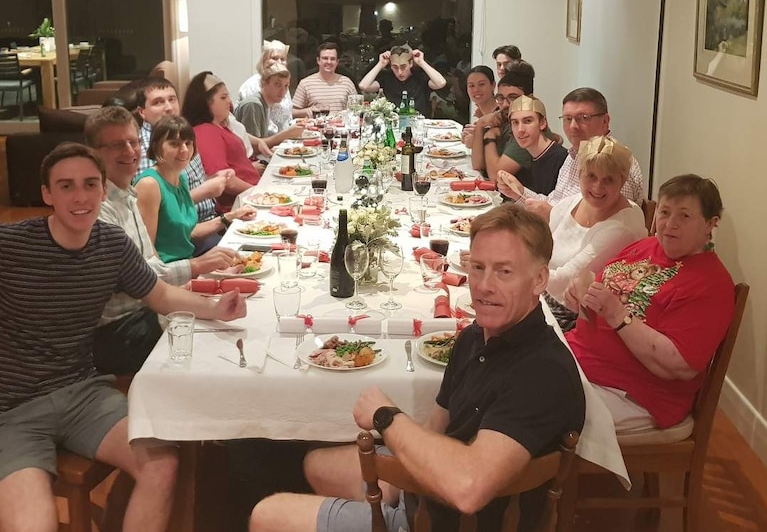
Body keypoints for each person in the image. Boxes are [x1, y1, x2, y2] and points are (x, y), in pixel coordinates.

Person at [0, 143, 247, 532]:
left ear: (104, 191)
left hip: (82, 396)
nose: (80, 197)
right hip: (9, 414)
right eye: (65, 186)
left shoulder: (112, 245)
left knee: (162, 465)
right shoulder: (4, 242)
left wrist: (218, 308)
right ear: (47, 194)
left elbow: (161, 295)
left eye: (89, 185)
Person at [249, 205, 586, 532]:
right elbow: (436, 428)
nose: (484, 286)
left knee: (266, 515)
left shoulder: (544, 373)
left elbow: (468, 488)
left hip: (448, 521)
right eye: (478, 267)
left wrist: (386, 417)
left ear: (540, 279)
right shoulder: (474, 338)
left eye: (504, 271)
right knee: (316, 464)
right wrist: (407, 472)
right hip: (431, 494)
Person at [565, 174, 735, 431]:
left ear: (711, 224)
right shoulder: (645, 247)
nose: (670, 224)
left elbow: (678, 366)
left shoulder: (711, 284)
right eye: (665, 212)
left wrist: (615, 313)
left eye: (684, 216)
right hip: (579, 359)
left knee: (524, 405)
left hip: (634, 394)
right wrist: (582, 288)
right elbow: (602, 286)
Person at [85, 106, 241, 375]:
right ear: (95, 153)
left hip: (147, 308)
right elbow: (139, 280)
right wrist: (197, 269)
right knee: (214, 349)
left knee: (227, 328)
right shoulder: (101, 209)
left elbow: (151, 266)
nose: (129, 151)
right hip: (119, 331)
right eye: (116, 145)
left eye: (133, 142)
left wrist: (207, 300)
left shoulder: (129, 196)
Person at [544, 136, 648, 332]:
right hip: (542, 294)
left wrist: (518, 273)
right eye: (591, 176)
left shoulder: (622, 227)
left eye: (608, 180)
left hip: (573, 317)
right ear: (580, 173)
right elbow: (539, 249)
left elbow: (564, 280)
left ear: (623, 180)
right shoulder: (570, 203)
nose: (598, 187)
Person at [497, 87, 645, 220]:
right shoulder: (574, 153)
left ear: (605, 121)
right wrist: (519, 192)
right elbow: (553, 202)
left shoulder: (613, 160)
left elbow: (606, 228)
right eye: (568, 119)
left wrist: (553, 216)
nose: (573, 126)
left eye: (583, 118)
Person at [135, 116, 256, 263]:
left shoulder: (180, 178)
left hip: (186, 263)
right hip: (168, 273)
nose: (184, 150)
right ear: (156, 147)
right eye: (174, 144)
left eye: (188, 143)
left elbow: (188, 232)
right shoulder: (149, 184)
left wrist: (231, 216)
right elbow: (146, 253)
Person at [134, 76, 228, 255]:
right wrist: (206, 191)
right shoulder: (144, 149)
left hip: (204, 224)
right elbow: (160, 208)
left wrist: (214, 180)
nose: (169, 108)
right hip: (185, 239)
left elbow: (185, 186)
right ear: (142, 112)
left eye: (172, 99)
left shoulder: (184, 134)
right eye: (158, 102)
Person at [184, 72, 266, 213]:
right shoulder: (206, 131)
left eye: (227, 95)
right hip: (238, 206)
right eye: (223, 97)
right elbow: (223, 178)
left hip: (248, 198)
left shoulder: (219, 126)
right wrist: (259, 193)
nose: (229, 101)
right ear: (205, 103)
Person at [237, 40, 310, 134]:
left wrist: (297, 124)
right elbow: (260, 133)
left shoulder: (283, 82)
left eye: (283, 59)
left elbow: (286, 120)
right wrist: (287, 133)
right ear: (264, 60)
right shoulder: (252, 85)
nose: (279, 62)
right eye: (274, 58)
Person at [504, 96, 568, 197]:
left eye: (528, 121)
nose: (520, 129)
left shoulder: (562, 159)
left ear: (542, 123)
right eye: (515, 122)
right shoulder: (532, 155)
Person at [358, 45, 447, 115]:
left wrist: (421, 62)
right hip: (393, 123)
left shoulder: (420, 78)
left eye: (403, 67)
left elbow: (441, 83)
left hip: (418, 124)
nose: (400, 72)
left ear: (411, 64)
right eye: (395, 67)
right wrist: (380, 64)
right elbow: (363, 86)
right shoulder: (387, 77)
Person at [234, 62, 304, 149]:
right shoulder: (254, 105)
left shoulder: (266, 104)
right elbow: (252, 149)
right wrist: (286, 134)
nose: (283, 91)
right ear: (263, 84)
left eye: (286, 85)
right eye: (277, 84)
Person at [291, 42, 358, 114]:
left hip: (341, 124)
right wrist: (307, 111)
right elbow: (292, 112)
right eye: (325, 58)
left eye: (332, 59)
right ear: (318, 60)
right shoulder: (305, 84)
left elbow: (357, 109)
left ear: (337, 62)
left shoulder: (347, 83)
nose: (329, 62)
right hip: (316, 124)